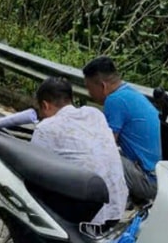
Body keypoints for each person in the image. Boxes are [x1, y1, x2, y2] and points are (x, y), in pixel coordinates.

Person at [31, 77, 128, 225]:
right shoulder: (95, 114)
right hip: (116, 209)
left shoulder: (46, 128)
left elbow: (33, 170)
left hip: (88, 217)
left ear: (45, 105)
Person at [82, 56, 161, 202]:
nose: (89, 94)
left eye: (89, 88)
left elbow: (106, 146)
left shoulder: (115, 100)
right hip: (160, 176)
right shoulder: (131, 94)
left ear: (103, 86)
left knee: (93, 154)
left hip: (149, 182)